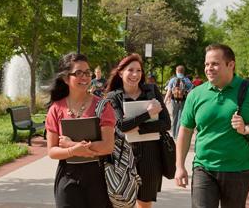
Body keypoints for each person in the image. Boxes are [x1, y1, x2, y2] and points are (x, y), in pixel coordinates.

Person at [175, 43, 249, 208]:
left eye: (215, 63)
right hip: (203, 168)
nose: (209, 68)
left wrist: (247, 129)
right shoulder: (196, 94)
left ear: (231, 64)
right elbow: (185, 130)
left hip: (239, 169)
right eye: (207, 64)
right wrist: (180, 166)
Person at [45, 52, 116, 208]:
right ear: (65, 78)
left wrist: (71, 145)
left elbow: (108, 146)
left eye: (87, 73)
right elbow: (52, 151)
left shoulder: (103, 106)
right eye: (78, 73)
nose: (84, 77)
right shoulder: (56, 109)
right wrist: (74, 151)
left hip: (98, 178)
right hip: (67, 177)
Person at [106, 53, 171, 208]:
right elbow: (121, 126)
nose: (135, 74)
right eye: (131, 70)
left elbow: (166, 123)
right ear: (121, 73)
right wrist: (148, 114)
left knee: (145, 203)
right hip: (123, 156)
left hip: (150, 155)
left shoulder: (152, 91)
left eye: (139, 70)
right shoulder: (113, 97)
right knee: (122, 201)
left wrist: (137, 127)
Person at [164, 65, 193, 138]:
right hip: (183, 101)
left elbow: (169, 91)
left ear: (176, 71)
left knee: (174, 117)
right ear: (183, 71)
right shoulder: (187, 80)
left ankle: (173, 135)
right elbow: (191, 92)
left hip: (174, 101)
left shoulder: (172, 80)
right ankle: (178, 134)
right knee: (181, 117)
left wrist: (165, 101)